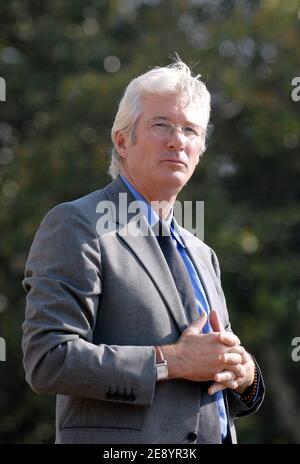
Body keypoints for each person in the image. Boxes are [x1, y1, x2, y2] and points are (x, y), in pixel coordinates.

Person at [22, 58, 265, 444]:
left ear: (200, 149)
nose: (177, 140)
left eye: (190, 130)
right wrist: (170, 361)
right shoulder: (76, 224)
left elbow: (205, 382)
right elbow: (49, 360)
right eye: (161, 125)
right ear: (122, 140)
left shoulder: (203, 253)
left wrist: (244, 374)